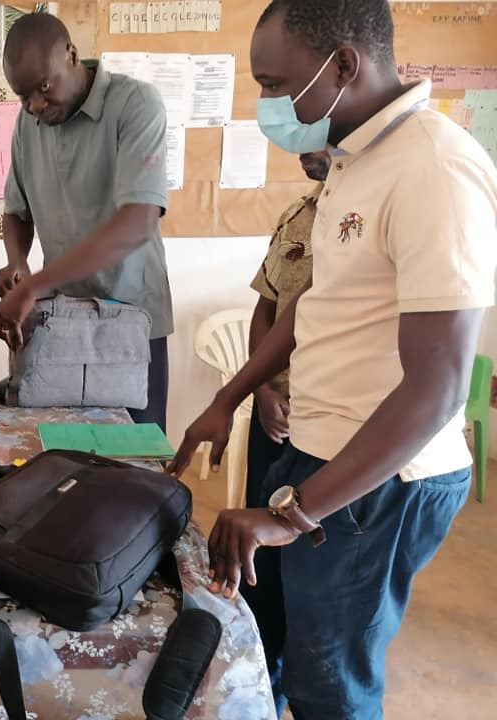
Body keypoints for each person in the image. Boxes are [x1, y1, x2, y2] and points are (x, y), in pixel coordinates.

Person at [167, 1, 497, 718]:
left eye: (275, 84)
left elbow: (438, 387)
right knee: (272, 643)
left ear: (343, 65)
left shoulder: (435, 168)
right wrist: (228, 397)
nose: (268, 106)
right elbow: (313, 305)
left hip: (380, 481)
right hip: (316, 451)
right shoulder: (353, 162)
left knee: (331, 682)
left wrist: (291, 517)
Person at [0, 13, 173, 430]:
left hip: (130, 321)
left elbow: (138, 222)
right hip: (61, 322)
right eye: (23, 97)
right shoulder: (29, 124)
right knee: (61, 450)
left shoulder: (136, 104)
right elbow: (17, 210)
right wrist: (18, 262)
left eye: (43, 88)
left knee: (133, 454)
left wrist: (34, 286)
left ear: (72, 55)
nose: (36, 106)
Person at [244, 150, 329, 716]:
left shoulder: (376, 212)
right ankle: (263, 691)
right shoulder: (296, 214)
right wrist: (260, 391)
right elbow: (267, 310)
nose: (300, 145)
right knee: (263, 570)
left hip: (331, 431)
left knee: (317, 583)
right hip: (274, 422)